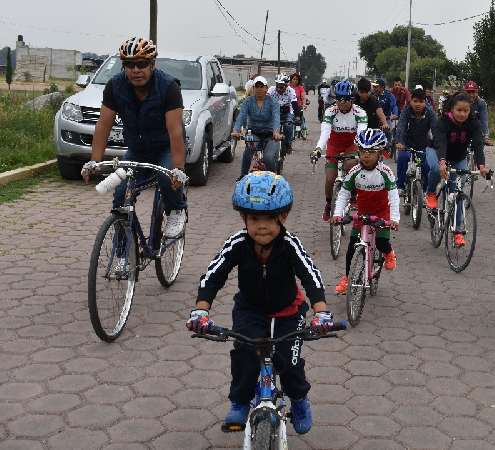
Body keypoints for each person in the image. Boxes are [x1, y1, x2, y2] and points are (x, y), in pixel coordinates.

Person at [186, 171, 332, 435]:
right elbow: (213, 275)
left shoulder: (290, 245)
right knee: (245, 354)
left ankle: (299, 401)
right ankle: (240, 402)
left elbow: (311, 276)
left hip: (288, 311)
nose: (261, 226)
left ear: (283, 216)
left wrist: (320, 312)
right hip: (250, 310)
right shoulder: (238, 243)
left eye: (268, 219)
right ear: (243, 217)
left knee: (290, 362)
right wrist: (201, 309)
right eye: (254, 218)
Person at [81, 37, 187, 240]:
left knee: (167, 178)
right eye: (129, 65)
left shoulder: (168, 87)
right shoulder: (115, 86)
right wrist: (94, 161)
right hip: (137, 149)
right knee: (121, 195)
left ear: (152, 64)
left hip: (166, 147)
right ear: (124, 67)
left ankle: (176, 210)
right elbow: (103, 125)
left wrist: (179, 169)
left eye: (142, 64)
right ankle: (122, 256)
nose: (136, 70)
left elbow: (175, 131)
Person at [331, 129, 400, 294]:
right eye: (362, 151)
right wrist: (337, 214)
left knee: (382, 243)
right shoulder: (354, 172)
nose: (366, 156)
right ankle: (347, 278)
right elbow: (343, 195)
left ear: (380, 153)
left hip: (382, 213)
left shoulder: (386, 172)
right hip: (362, 214)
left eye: (371, 152)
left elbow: (394, 196)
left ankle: (389, 253)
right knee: (351, 248)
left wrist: (394, 218)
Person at [427, 93, 491, 248]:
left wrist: (482, 165)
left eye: (466, 111)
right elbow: (440, 142)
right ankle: (430, 194)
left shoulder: (473, 123)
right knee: (436, 169)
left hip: (459, 157)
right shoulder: (443, 121)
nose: (462, 114)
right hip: (436, 151)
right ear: (452, 109)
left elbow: (477, 144)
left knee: (458, 193)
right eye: (459, 110)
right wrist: (442, 161)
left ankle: (458, 231)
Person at [312, 80, 368, 221]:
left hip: (352, 144)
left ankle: (353, 196)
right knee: (330, 178)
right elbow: (325, 133)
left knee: (351, 165)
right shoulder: (330, 111)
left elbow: (361, 134)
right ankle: (329, 204)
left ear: (352, 99)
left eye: (345, 99)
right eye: (338, 99)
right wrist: (318, 148)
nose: (341, 102)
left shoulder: (360, 112)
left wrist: (362, 151)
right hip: (334, 144)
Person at [232, 76, 281, 177]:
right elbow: (241, 116)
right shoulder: (248, 101)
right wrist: (236, 130)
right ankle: (243, 176)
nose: (259, 89)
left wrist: (276, 132)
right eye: (256, 86)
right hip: (253, 133)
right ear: (253, 88)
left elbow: (276, 118)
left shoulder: (273, 102)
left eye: (261, 86)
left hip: (271, 134)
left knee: (268, 157)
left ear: (266, 88)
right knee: (248, 151)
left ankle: (274, 179)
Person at [395, 88, 437, 196]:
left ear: (425, 102)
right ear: (411, 101)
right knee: (402, 158)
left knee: (427, 166)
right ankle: (400, 186)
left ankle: (424, 189)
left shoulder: (430, 112)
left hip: (423, 145)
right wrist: (400, 142)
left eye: (421, 101)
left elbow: (436, 129)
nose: (418, 104)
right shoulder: (406, 111)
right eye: (415, 101)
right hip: (406, 144)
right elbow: (401, 127)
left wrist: (438, 144)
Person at [268, 74, 302, 152]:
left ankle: (288, 143)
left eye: (282, 87)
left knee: (288, 125)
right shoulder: (271, 90)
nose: (279, 89)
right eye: (278, 86)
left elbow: (294, 104)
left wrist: (297, 116)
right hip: (275, 111)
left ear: (286, 86)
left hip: (287, 111)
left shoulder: (291, 91)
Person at [463, 80, 491, 146]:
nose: (471, 95)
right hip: (463, 128)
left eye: (473, 92)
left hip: (477, 128)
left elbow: (484, 120)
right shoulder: (460, 101)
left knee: (479, 147)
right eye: (468, 92)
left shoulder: (481, 103)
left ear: (477, 92)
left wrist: (485, 136)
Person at [289, 72, 307, 137]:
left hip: (298, 106)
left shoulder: (300, 88)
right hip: (289, 106)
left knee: (299, 119)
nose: (295, 80)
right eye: (294, 79)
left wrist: (304, 104)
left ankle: (300, 128)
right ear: (291, 80)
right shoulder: (288, 87)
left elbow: (303, 97)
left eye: (297, 79)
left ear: (298, 80)